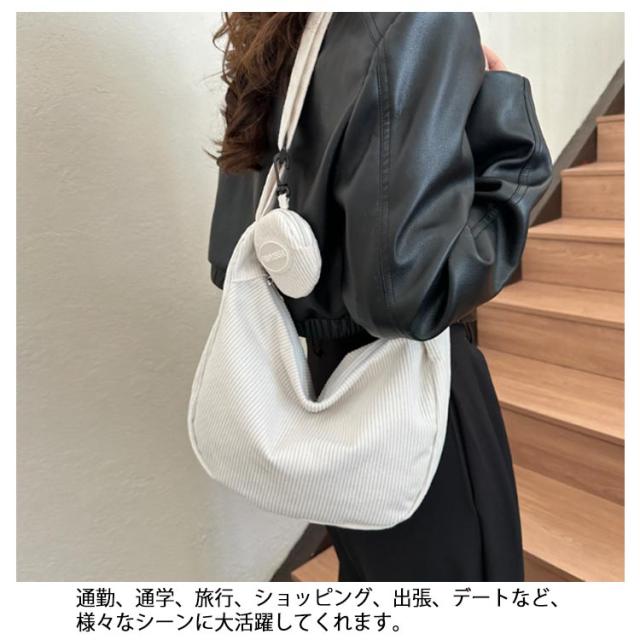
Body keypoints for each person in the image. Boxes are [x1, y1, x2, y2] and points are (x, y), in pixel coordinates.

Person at [207, 12, 552, 581]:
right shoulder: (417, 17)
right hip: (415, 400)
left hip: (324, 389)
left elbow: (230, 255)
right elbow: (410, 294)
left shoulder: (277, 37)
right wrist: (509, 129)